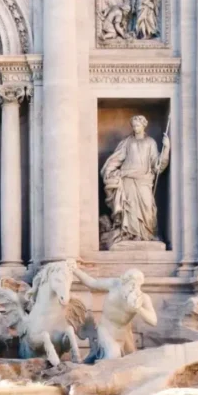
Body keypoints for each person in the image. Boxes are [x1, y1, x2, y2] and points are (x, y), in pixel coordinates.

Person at [101, 115, 170, 245]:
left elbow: (157, 164)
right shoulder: (127, 142)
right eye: (133, 126)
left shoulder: (150, 142)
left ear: (144, 126)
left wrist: (166, 148)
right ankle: (131, 235)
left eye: (137, 125)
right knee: (130, 207)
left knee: (147, 206)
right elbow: (117, 158)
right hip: (128, 178)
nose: (135, 128)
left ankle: (146, 234)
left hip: (144, 180)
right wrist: (109, 171)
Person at [72, 267, 158, 361]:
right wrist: (75, 270)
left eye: (136, 285)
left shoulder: (142, 299)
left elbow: (153, 321)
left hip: (124, 334)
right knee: (113, 356)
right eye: (131, 284)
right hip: (106, 329)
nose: (133, 288)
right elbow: (92, 283)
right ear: (125, 281)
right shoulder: (114, 284)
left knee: (131, 361)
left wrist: (139, 309)